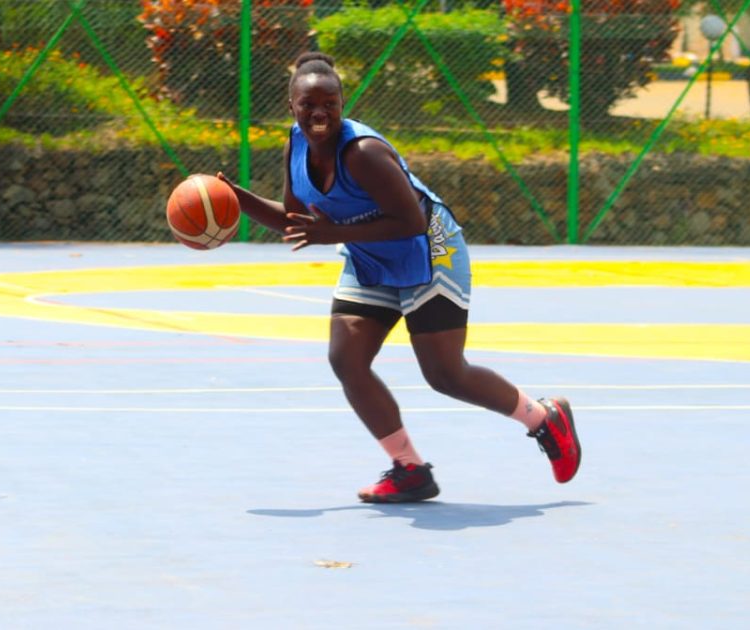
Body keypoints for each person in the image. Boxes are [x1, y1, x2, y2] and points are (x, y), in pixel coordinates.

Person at [217, 52, 581, 503]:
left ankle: (544, 419)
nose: (319, 113)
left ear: (342, 103)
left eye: (330, 103)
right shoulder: (296, 146)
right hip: (371, 255)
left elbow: (411, 221)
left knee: (445, 374)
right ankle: (409, 469)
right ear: (291, 105)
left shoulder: (363, 153)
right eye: (308, 104)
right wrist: (234, 199)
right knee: (346, 359)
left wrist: (334, 233)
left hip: (430, 249)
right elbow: (297, 221)